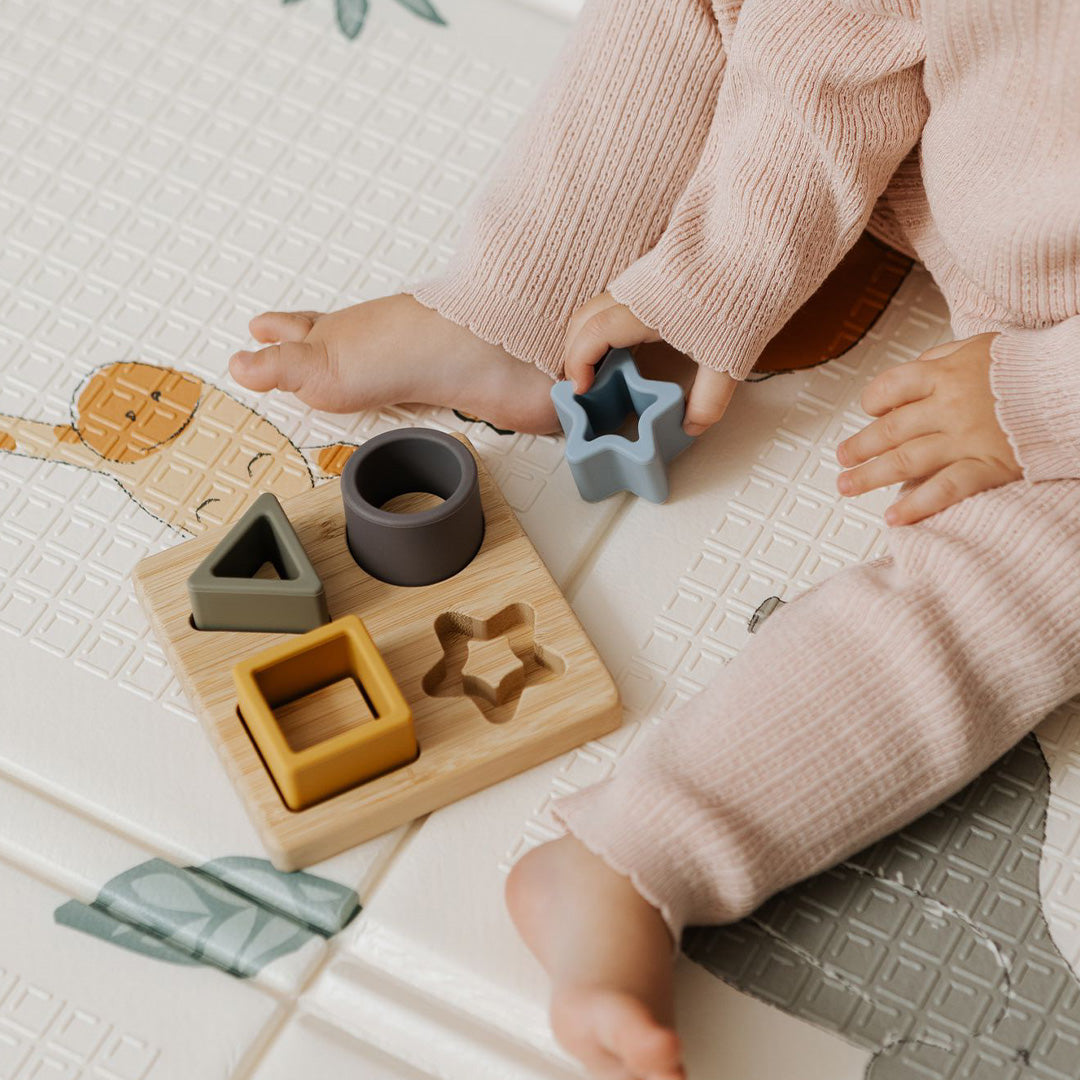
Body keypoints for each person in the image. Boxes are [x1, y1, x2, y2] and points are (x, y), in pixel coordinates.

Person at [231, 0, 1080, 1075]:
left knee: (1038, 581)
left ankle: (638, 856)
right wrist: (721, 272)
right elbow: (841, 29)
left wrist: (1039, 397)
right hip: (940, 126)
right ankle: (512, 311)